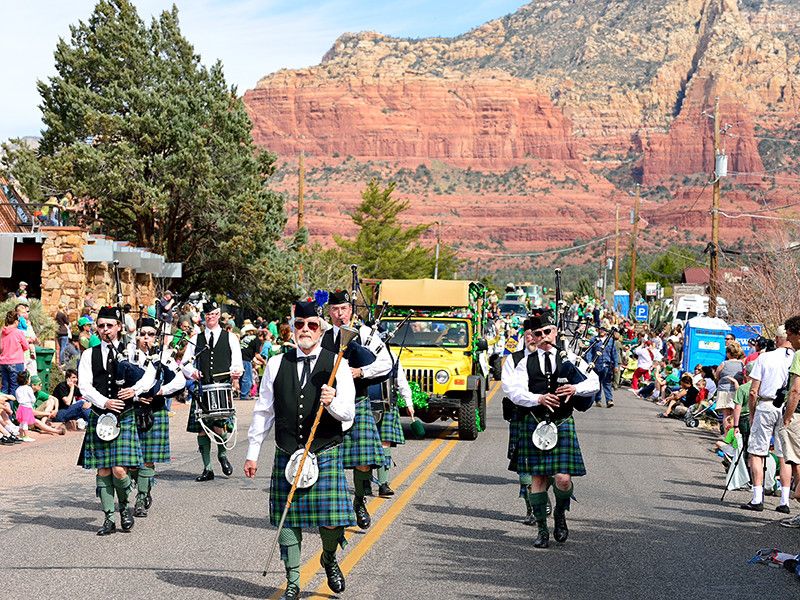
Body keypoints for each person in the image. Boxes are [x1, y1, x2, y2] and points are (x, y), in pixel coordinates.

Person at [244, 299, 356, 600]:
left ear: (320, 331)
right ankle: (293, 580)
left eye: (312, 325)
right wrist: (253, 452)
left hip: (325, 449)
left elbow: (349, 415)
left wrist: (332, 402)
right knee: (288, 520)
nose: (305, 330)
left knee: (333, 519)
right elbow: (263, 410)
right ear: (292, 329)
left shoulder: (338, 364)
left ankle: (329, 556)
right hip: (288, 451)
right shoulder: (278, 363)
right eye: (300, 325)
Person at [504, 311, 599, 548]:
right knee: (537, 479)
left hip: (563, 422)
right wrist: (538, 399)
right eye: (538, 334)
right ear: (533, 337)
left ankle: (560, 514)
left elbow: (594, 381)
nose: (544, 337)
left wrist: (576, 389)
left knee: (563, 479)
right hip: (535, 422)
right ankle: (542, 530)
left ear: (555, 332)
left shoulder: (572, 359)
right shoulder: (525, 363)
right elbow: (514, 392)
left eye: (548, 331)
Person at [78, 305, 156, 535]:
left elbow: (151, 374)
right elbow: (84, 385)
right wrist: (104, 402)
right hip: (100, 416)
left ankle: (124, 508)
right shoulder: (88, 354)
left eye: (109, 326)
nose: (105, 330)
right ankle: (109, 519)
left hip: (125, 417)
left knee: (120, 471)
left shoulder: (132, 351)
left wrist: (135, 390)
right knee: (103, 470)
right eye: (101, 326)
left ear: (119, 327)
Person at [321, 290, 392, 529]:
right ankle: (333, 508)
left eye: (343, 309)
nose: (339, 314)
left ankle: (359, 502)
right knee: (330, 460)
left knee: (362, 461)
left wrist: (361, 372)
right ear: (328, 312)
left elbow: (386, 363)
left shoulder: (364, 335)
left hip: (358, 402)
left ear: (350, 310)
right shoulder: (322, 337)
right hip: (330, 405)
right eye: (334, 309)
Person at [181, 301, 243, 482]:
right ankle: (207, 469)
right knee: (202, 429)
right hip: (202, 389)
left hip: (221, 387)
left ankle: (222, 455)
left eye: (214, 314)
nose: (211, 317)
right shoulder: (196, 338)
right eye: (208, 314)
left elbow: (237, 361)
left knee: (219, 426)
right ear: (203, 317)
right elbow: (185, 363)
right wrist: (193, 372)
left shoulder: (230, 337)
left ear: (218, 315)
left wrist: (236, 372)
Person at [129, 317, 185, 517]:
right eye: (142, 334)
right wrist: (136, 396)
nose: (146, 338)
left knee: (148, 459)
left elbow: (180, 382)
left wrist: (160, 391)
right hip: (131, 410)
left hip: (156, 409)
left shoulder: (164, 358)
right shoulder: (127, 355)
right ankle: (143, 483)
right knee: (129, 461)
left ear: (156, 337)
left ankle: (141, 498)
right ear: (136, 335)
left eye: (150, 334)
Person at [741, 336, 794, 514]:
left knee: (757, 452)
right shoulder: (796, 357)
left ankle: (757, 498)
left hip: (766, 404)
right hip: (787, 408)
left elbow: (753, 390)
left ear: (779, 338)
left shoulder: (765, 357)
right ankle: (784, 500)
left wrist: (752, 413)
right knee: (784, 454)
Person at [778, 315, 800, 527]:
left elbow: (795, 390)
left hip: (798, 414)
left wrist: (787, 416)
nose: (789, 340)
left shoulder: (799, 355)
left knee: (796, 462)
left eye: (791, 335)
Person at [585, 326, 617, 408]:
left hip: (607, 364)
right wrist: (590, 362)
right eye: (600, 329)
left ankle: (609, 400)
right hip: (596, 364)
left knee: (607, 382)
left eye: (604, 330)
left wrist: (616, 365)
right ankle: (598, 399)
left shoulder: (610, 340)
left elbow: (614, 353)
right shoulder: (594, 339)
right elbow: (590, 352)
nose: (602, 331)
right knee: (597, 382)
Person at [714, 342, 745, 423]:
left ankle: (726, 433)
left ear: (728, 353)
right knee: (734, 413)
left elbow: (717, 375)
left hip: (724, 390)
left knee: (726, 414)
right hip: (737, 390)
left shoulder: (724, 364)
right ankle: (733, 431)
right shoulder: (742, 364)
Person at [1, 310, 29, 396]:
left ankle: (2, 408)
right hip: (15, 363)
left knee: (5, 388)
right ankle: (12, 409)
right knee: (15, 389)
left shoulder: (2, 332)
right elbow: (26, 346)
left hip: (3, 363)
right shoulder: (18, 332)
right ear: (16, 321)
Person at [14, 371, 38, 442]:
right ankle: (26, 436)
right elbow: (33, 399)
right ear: (27, 380)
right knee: (25, 423)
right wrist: (33, 401)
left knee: (22, 422)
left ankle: (21, 435)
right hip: (27, 407)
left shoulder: (18, 389)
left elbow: (18, 399)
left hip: (20, 407)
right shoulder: (28, 388)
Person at [239, 323, 260, 401]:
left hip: (239, 357)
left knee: (242, 377)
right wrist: (264, 362)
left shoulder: (244, 338)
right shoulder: (256, 339)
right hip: (246, 359)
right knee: (247, 378)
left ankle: (243, 393)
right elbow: (257, 355)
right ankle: (244, 395)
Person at [55, 301, 71, 365]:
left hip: (58, 331)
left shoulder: (57, 314)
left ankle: (60, 361)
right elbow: (67, 322)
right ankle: (62, 362)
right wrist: (67, 314)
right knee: (63, 347)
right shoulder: (62, 314)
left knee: (60, 347)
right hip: (64, 332)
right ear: (63, 307)